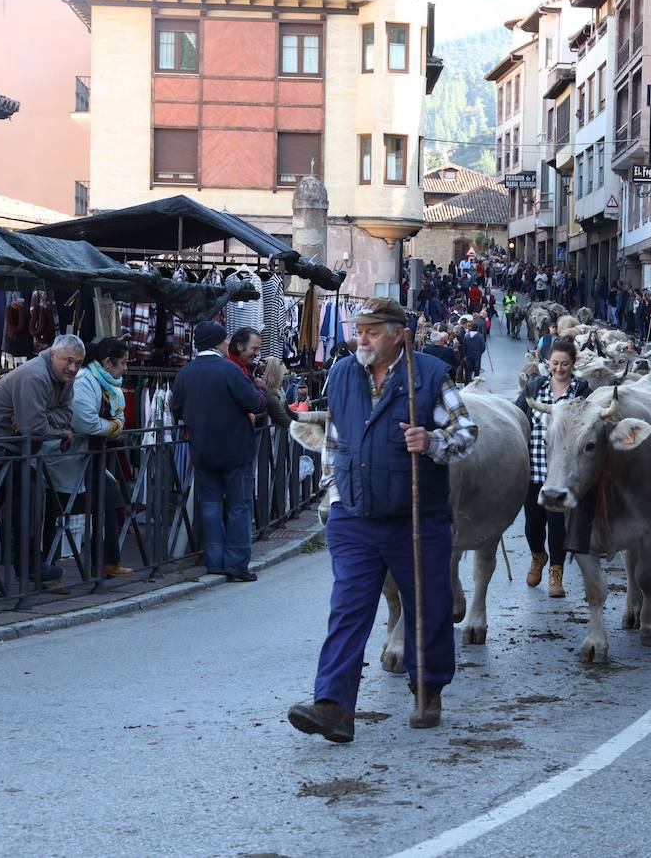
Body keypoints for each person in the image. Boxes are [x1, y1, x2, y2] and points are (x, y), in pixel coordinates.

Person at [289, 298, 478, 742]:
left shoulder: (428, 375)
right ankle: (333, 705)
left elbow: (465, 434)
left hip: (416, 516)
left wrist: (431, 441)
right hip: (354, 517)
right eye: (360, 330)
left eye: (372, 331)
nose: (362, 339)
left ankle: (427, 688)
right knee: (348, 609)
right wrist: (335, 495)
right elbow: (334, 439)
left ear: (398, 334)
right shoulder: (342, 374)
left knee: (426, 606)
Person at [0, 334, 86, 587]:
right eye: (68, 361)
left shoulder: (63, 378)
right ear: (53, 355)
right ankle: (11, 569)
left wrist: (44, 418)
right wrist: (56, 429)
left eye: (78, 363)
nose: (73, 368)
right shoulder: (35, 376)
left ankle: (14, 568)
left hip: (10, 449)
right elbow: (34, 428)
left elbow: (65, 414)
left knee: (14, 500)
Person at [171, 321, 266, 583]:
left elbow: (176, 408)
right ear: (217, 343)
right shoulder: (229, 370)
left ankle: (214, 561)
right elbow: (255, 403)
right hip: (235, 449)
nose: (228, 345)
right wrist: (259, 387)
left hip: (202, 449)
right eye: (225, 341)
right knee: (238, 506)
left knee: (210, 506)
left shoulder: (185, 373)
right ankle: (237, 564)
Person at [515, 338, 590, 598]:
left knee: (558, 526)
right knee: (532, 526)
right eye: (555, 363)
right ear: (548, 363)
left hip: (562, 474)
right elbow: (517, 417)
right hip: (533, 468)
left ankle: (556, 573)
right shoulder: (535, 388)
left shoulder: (581, 392)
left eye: (565, 364)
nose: (559, 368)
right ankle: (538, 555)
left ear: (573, 364)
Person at [55, 337, 134, 580]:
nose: (126, 368)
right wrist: (113, 427)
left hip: (89, 457)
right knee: (55, 509)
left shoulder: (107, 384)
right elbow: (86, 421)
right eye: (123, 363)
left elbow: (116, 413)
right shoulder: (85, 381)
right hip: (68, 458)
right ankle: (47, 569)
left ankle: (107, 561)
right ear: (107, 362)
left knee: (111, 499)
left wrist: (114, 424)